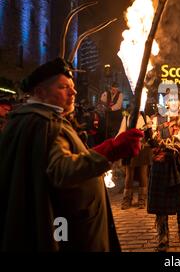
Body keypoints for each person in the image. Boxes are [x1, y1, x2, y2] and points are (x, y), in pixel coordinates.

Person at [0, 58, 144, 251]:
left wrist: (107, 149)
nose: (73, 92)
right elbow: (62, 171)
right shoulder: (45, 124)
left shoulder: (30, 119)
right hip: (62, 226)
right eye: (63, 87)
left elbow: (66, 159)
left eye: (73, 86)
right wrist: (113, 149)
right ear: (40, 92)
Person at [147, 90, 180, 252]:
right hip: (160, 166)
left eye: (176, 100)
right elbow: (151, 141)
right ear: (166, 102)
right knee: (160, 207)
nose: (173, 102)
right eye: (170, 100)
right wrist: (149, 136)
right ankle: (163, 237)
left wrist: (166, 141)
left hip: (176, 166)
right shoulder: (156, 121)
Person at [117, 110, 152, 210]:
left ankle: (142, 199)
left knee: (142, 174)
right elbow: (121, 131)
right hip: (130, 147)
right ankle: (127, 199)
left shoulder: (146, 118)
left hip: (143, 148)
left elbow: (150, 133)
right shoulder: (127, 117)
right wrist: (116, 143)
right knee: (129, 174)